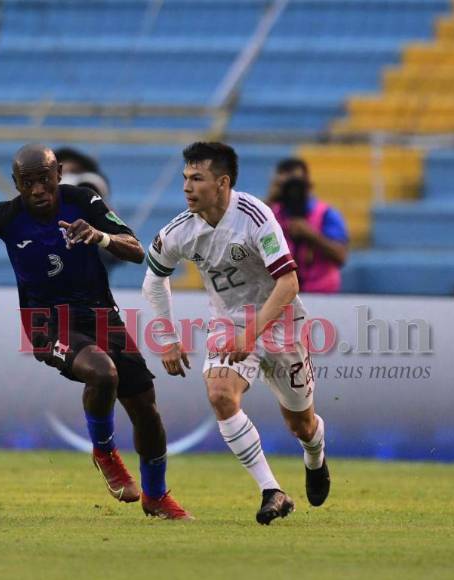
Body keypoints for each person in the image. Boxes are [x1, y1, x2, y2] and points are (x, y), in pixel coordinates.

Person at [0, 144, 190, 519]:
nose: (36, 190)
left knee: (146, 408)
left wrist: (99, 236)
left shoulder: (83, 202)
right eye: (26, 183)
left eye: (44, 179)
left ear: (58, 173)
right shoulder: (5, 216)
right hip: (46, 323)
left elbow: (135, 248)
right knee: (102, 373)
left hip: (99, 316)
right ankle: (105, 453)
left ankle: (157, 497)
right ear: (15, 183)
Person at [143, 142, 330, 525]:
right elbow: (153, 280)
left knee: (302, 424)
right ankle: (272, 490)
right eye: (185, 178)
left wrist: (254, 332)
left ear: (223, 182)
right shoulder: (181, 231)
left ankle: (315, 457)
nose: (187, 187)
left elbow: (289, 282)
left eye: (197, 178)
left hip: (279, 321)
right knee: (220, 395)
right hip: (229, 324)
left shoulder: (255, 216)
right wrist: (167, 337)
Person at [266, 158, 348, 293]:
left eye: (297, 183)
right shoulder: (270, 214)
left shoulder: (326, 214)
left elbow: (341, 256)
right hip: (281, 295)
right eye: (287, 184)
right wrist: (270, 198)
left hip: (321, 294)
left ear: (309, 184)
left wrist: (311, 235)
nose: (293, 189)